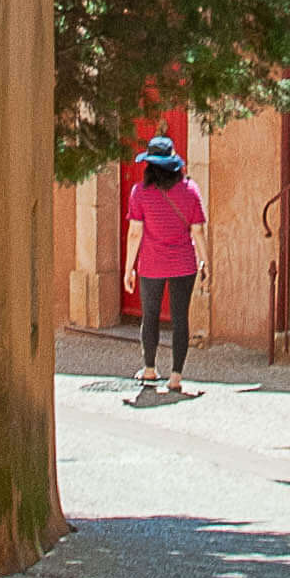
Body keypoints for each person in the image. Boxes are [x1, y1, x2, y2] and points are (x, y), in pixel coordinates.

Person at [123, 134, 207, 391]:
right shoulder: (190, 190)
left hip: (152, 263)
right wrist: (205, 261)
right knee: (180, 318)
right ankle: (176, 377)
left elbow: (135, 232)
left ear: (149, 165)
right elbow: (198, 231)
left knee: (150, 316)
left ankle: (150, 369)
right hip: (184, 263)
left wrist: (129, 268)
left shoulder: (139, 192)